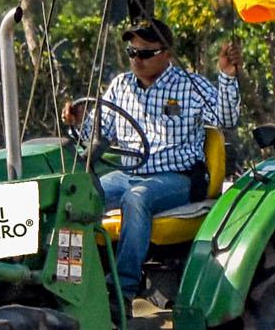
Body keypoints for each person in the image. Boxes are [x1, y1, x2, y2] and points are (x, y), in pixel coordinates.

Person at [67, 19, 243, 305]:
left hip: (177, 177)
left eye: (145, 53)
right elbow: (96, 135)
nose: (136, 59)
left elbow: (226, 119)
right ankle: (72, 279)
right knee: (76, 194)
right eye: (131, 52)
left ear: (166, 53)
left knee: (137, 199)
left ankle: (121, 290)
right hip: (128, 173)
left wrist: (226, 76)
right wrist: (77, 123)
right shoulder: (120, 86)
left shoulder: (190, 85)